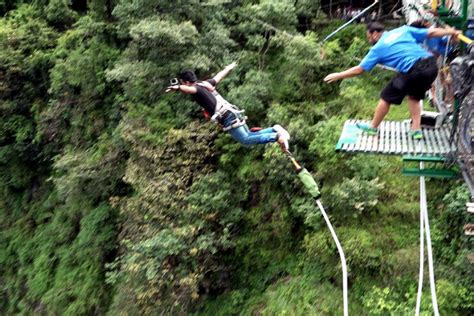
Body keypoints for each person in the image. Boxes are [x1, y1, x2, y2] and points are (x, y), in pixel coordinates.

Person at [324, 22, 462, 139]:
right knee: (414, 96)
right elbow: (431, 32)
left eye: (369, 37)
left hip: (414, 69)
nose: (370, 40)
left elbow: (360, 69)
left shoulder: (377, 48)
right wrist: (449, 31)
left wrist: (338, 75)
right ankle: (416, 130)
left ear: (375, 34)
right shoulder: (403, 30)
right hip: (432, 66)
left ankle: (373, 127)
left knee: (386, 96)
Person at [166, 62, 290, 151]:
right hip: (232, 112)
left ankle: (276, 136)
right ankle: (274, 129)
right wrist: (228, 68)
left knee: (245, 140)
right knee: (249, 135)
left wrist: (177, 88)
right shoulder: (205, 84)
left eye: (183, 83)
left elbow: (188, 90)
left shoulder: (195, 89)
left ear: (186, 82)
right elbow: (218, 77)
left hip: (227, 117)